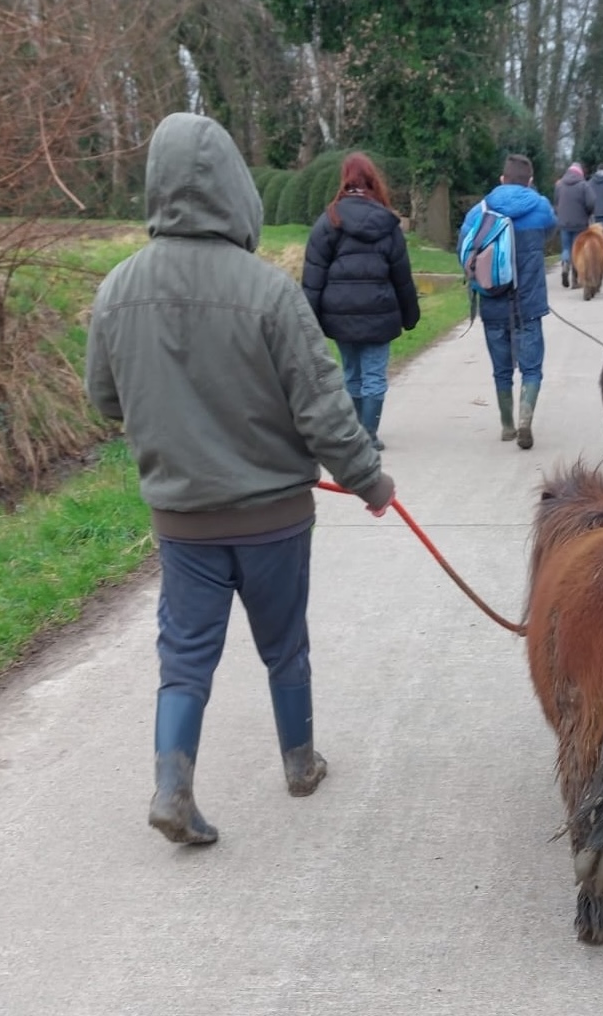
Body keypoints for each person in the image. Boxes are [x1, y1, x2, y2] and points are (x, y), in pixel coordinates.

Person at [86, 112, 396, 847]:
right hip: (274, 519)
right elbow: (323, 412)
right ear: (235, 190)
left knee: (184, 657)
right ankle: (300, 764)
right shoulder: (270, 292)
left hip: (183, 521)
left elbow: (106, 399)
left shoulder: (117, 290)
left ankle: (172, 786)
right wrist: (370, 482)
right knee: (284, 644)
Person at [302, 153, 420, 450]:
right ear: (372, 181)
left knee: (351, 372)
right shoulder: (388, 223)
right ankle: (368, 433)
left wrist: (308, 319)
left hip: (339, 314)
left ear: (345, 180)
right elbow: (401, 276)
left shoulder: (330, 220)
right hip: (380, 313)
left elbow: (314, 275)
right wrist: (410, 315)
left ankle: (355, 433)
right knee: (374, 375)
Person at [457, 153, 556, 449]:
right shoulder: (540, 208)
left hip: (492, 301)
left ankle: (507, 425)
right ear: (530, 181)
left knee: (501, 369)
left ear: (502, 179)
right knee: (532, 368)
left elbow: (463, 250)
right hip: (529, 303)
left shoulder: (480, 211)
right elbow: (551, 232)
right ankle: (526, 419)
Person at [552, 161, 594, 288]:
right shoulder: (584, 185)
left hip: (564, 222)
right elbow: (591, 203)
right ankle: (575, 280)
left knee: (566, 248)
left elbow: (556, 202)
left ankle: (565, 265)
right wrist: (588, 213)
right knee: (578, 251)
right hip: (580, 224)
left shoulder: (560, 185)